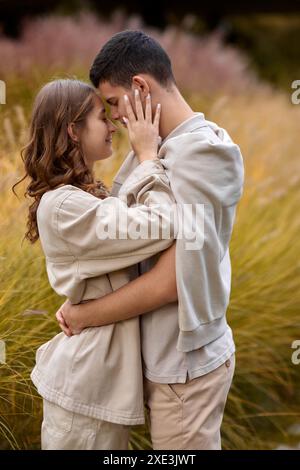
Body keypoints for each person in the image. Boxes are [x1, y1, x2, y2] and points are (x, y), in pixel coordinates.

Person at [56, 31, 245, 450]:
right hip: (158, 361)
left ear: (140, 87)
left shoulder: (200, 154)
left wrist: (86, 315)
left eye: (113, 104)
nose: (113, 119)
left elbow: (172, 281)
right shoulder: (156, 146)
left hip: (185, 369)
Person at [17, 78, 177, 450]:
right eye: (101, 117)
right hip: (84, 393)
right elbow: (163, 224)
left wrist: (85, 307)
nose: (112, 126)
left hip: (94, 391)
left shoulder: (82, 197)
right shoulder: (64, 206)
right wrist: (149, 156)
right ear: (73, 131)